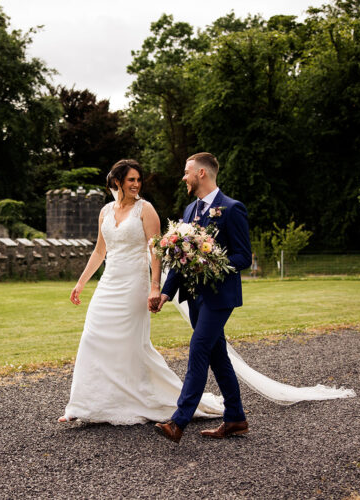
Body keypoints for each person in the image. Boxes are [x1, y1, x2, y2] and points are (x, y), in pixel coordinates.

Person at [58, 159, 225, 424]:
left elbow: (155, 250)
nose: (136, 185)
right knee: (92, 337)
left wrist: (155, 286)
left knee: (130, 345)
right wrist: (81, 282)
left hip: (134, 285)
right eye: (131, 180)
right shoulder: (104, 211)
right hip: (108, 284)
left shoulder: (145, 209)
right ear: (117, 182)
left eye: (138, 180)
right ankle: (84, 405)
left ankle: (152, 400)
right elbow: (100, 251)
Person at [153, 152, 251, 443]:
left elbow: (243, 256)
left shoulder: (232, 209)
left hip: (220, 297)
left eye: (187, 172)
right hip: (195, 298)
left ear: (202, 174)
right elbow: (180, 259)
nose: (183, 176)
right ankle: (235, 419)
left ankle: (179, 422)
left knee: (198, 349)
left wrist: (212, 264)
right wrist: (166, 292)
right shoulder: (188, 212)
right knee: (217, 357)